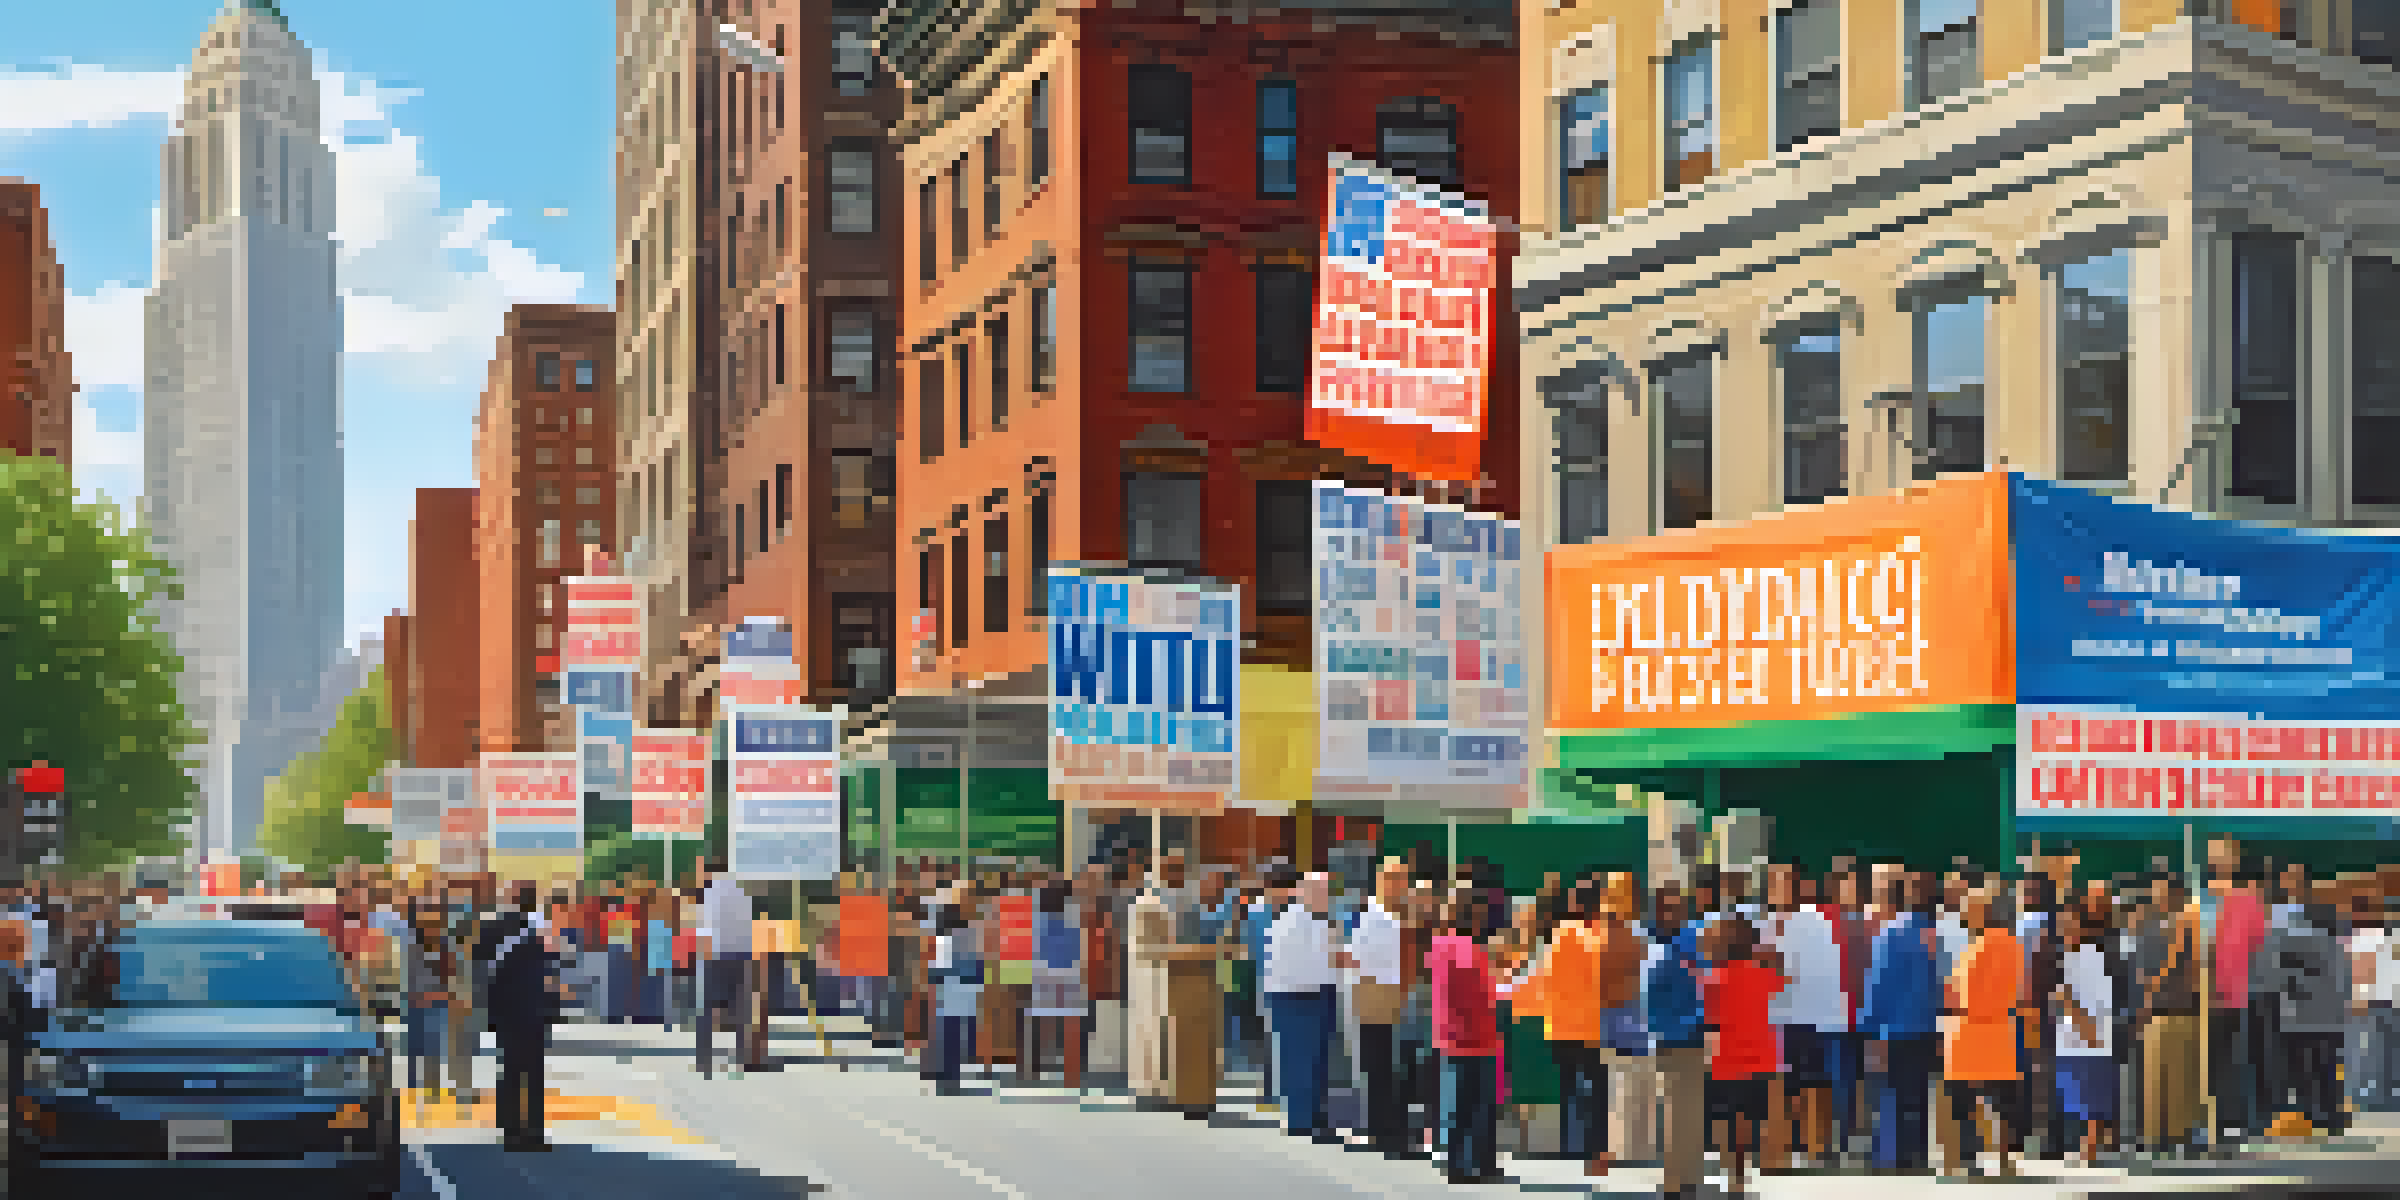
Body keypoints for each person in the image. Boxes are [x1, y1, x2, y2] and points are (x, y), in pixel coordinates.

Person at [1861, 864, 1939, 1173]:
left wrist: (1870, 1025)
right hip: (1926, 1026)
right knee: (1919, 1093)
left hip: (1894, 1027)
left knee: (1891, 1092)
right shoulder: (1937, 934)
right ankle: (1918, 1156)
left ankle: (1892, 1157)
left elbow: (1878, 983)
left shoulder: (1890, 932)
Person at [1701, 914, 1784, 1198]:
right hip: (1760, 1056)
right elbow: (1783, 980)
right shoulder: (1764, 974)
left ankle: (1734, 1171)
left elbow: (1710, 1022)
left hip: (1727, 1058)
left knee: (1728, 1117)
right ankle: (1745, 1169)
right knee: (1751, 1117)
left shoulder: (1713, 977)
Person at [1943, 889, 2023, 1178]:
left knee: (1965, 1100)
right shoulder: (2013, 946)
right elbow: (2018, 990)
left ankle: (1967, 1158)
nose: (1964, 912)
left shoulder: (1973, 948)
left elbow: (1956, 991)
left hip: (1969, 1030)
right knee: (2001, 1100)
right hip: (2000, 1030)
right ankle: (2004, 1158)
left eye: (1969, 907)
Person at [477, 883, 560, 1152]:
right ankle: (531, 1132)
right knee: (531, 1074)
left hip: (510, 1013)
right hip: (530, 1012)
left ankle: (513, 1131)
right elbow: (550, 973)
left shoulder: (494, 929)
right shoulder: (539, 931)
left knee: (513, 1072)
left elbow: (483, 973)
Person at [1430, 886, 1503, 1184]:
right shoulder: (1470, 950)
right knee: (1479, 1105)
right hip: (1476, 1037)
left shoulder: (1439, 945)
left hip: (1451, 1037)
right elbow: (1482, 994)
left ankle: (1462, 1164)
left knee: (1459, 1105)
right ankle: (1475, 1165)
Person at [2261, 892, 2349, 1134]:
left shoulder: (2291, 943)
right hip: (2330, 1020)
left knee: (2304, 1070)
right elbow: (2344, 983)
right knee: (2327, 1069)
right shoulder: (2336, 947)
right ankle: (2331, 1116)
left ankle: (2313, 1114)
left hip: (2300, 1018)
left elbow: (2278, 977)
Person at [1266, 870, 1342, 1139]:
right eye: (1324, 892)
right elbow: (1326, 961)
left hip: (1303, 996)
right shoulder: (1303, 922)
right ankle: (1304, 1119)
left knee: (1307, 1060)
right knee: (1305, 1061)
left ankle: (1308, 1117)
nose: (1328, 898)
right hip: (1304, 997)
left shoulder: (1295, 921)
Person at [1350, 858, 1411, 1156]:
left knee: (1387, 1067)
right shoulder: (1372, 917)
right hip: (1376, 994)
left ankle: (1385, 1129)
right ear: (1382, 881)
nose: (1401, 886)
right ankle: (1383, 1131)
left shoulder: (1390, 915)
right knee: (1380, 1067)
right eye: (1396, 879)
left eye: (1403, 879)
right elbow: (1359, 960)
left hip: (1388, 994)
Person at [2054, 902, 2118, 1165]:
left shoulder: (2091, 956)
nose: (2065, 928)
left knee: (2092, 1095)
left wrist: (2085, 1026)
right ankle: (2090, 1147)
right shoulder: (2070, 956)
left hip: (2088, 1035)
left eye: (2070, 922)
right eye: (2062, 923)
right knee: (2081, 1094)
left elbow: (2098, 1000)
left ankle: (2091, 1148)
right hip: (2074, 1036)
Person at [694, 860, 755, 1078]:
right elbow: (748, 924)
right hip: (741, 955)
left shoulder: (712, 892)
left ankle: (704, 1057)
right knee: (741, 1008)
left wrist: (700, 954)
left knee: (707, 1008)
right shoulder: (742, 892)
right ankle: (742, 1056)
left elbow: (707, 925)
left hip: (716, 954)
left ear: (711, 871)